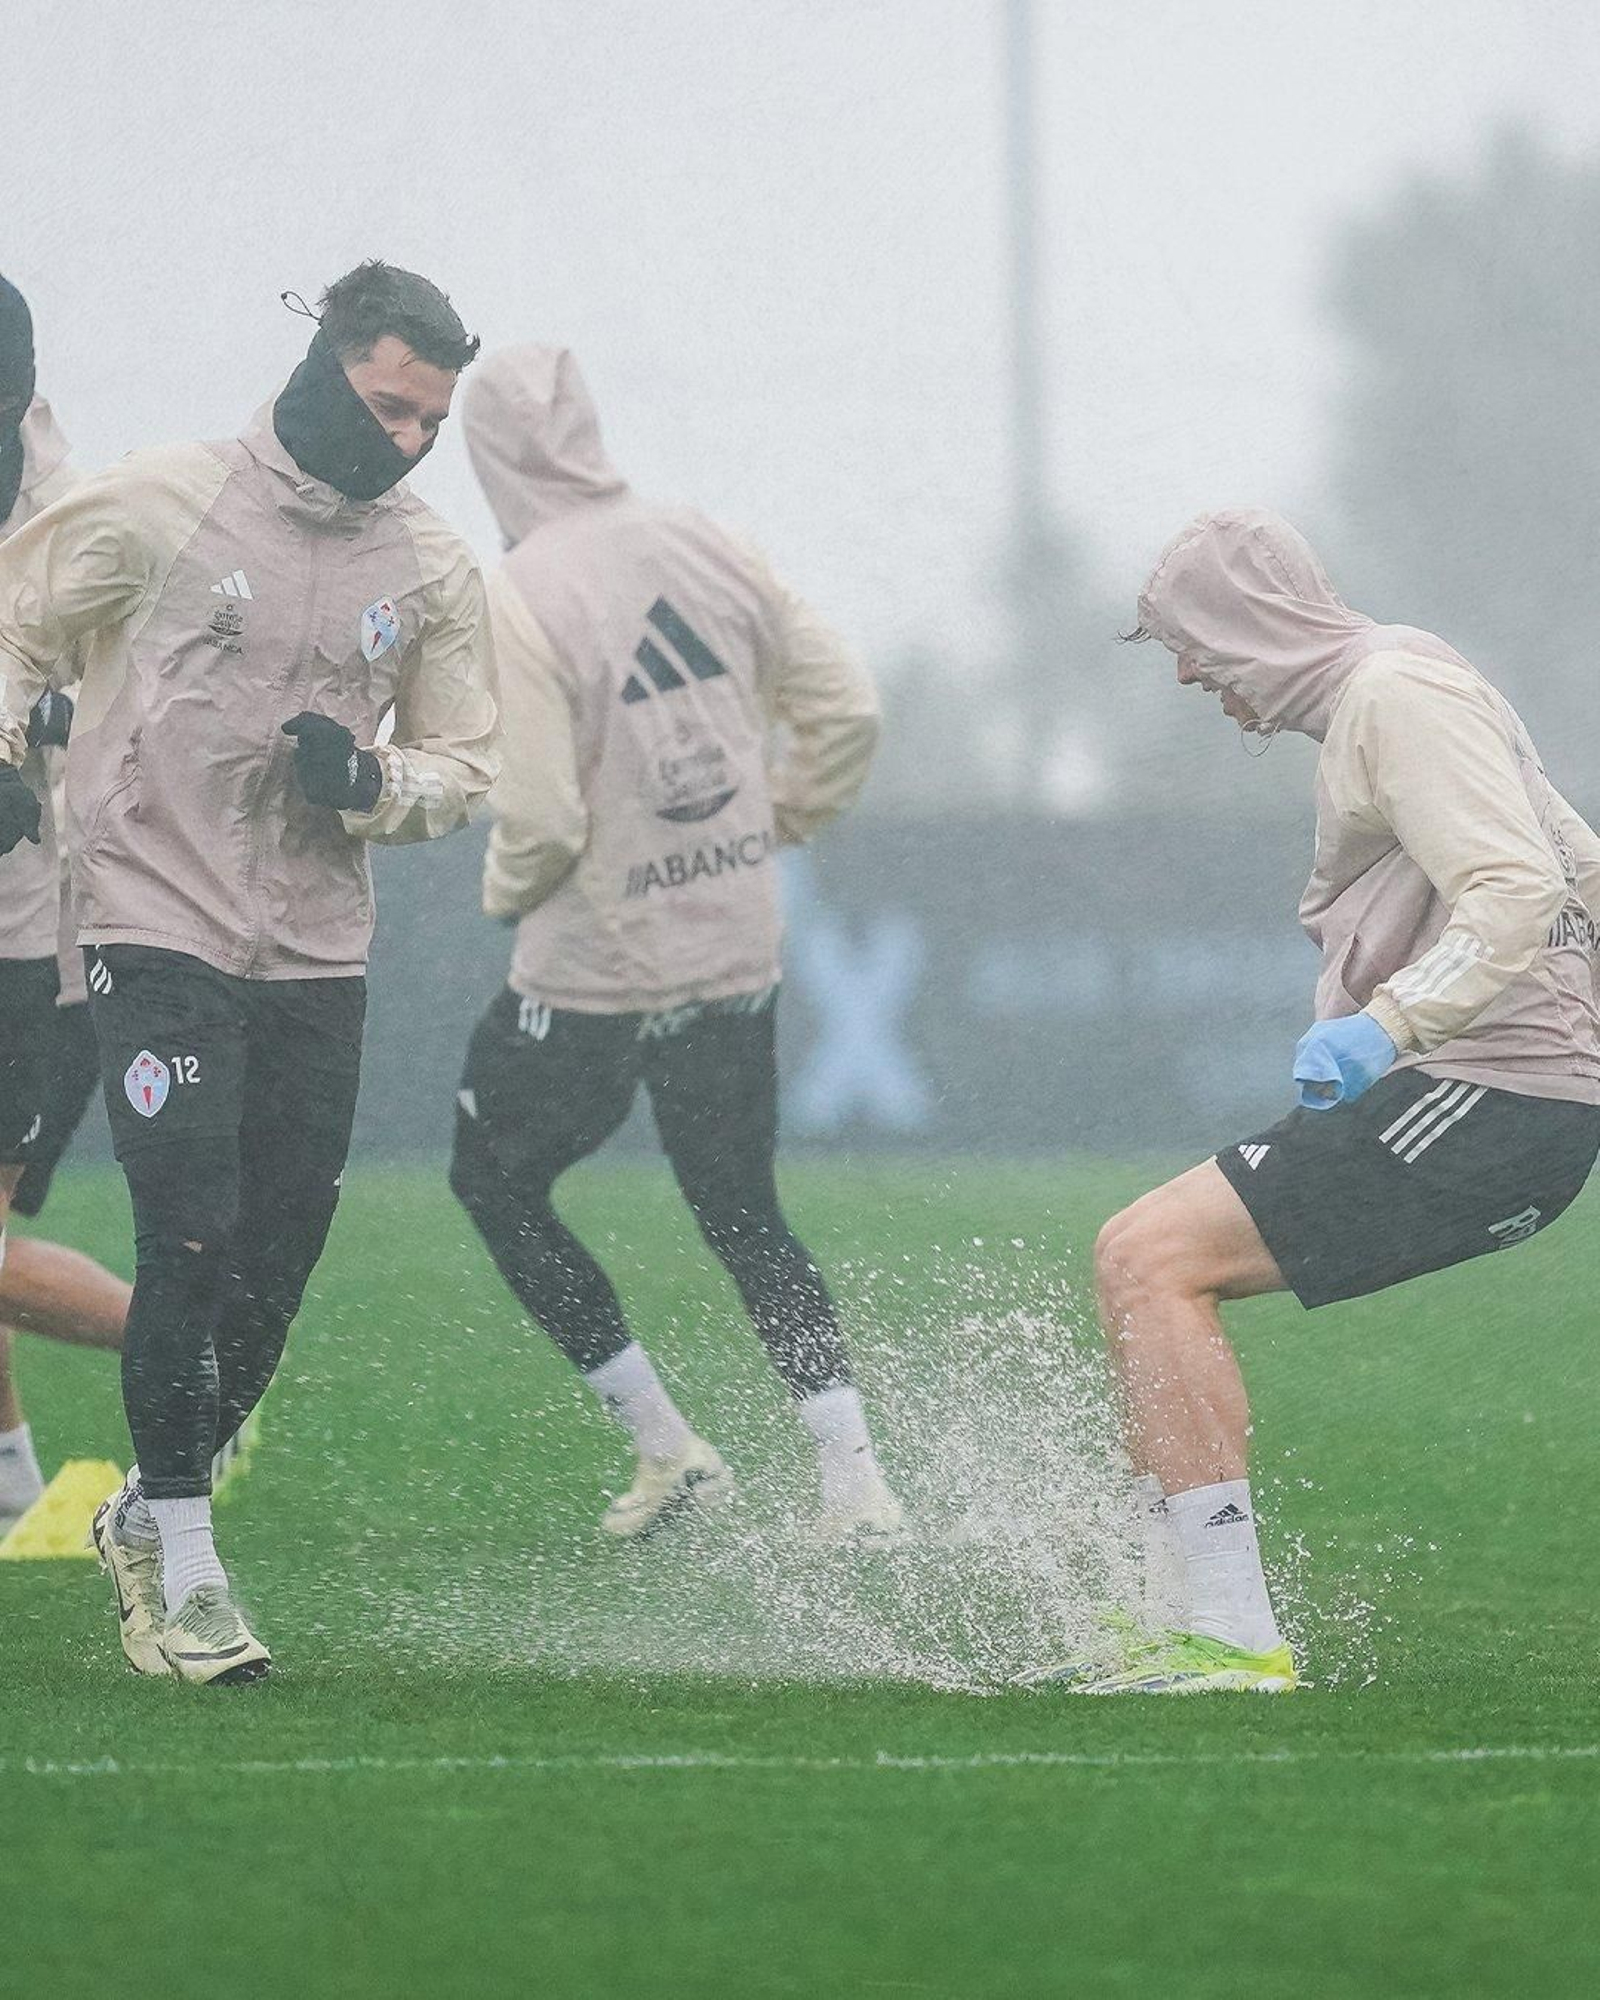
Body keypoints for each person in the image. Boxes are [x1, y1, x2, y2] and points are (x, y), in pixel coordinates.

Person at [0, 261, 499, 1680]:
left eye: (431, 425)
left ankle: (150, 1524)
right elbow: (14, 612)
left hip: (316, 951)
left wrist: (375, 779)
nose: (405, 441)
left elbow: (465, 763)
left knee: (275, 1260)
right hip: (149, 921)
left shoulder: (432, 568)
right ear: (327, 362)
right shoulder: (166, 501)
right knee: (193, 1226)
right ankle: (193, 1575)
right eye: (390, 407)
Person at [1063, 508, 1600, 1695]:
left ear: (1243, 621)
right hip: (1500, 1088)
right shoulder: (1409, 681)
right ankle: (1179, 1620)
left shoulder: (1392, 693)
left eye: (1190, 643)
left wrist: (1389, 1026)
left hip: (1489, 1093)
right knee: (1133, 1256)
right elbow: (1579, 855)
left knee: (1154, 1258)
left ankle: (1224, 1632)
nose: (1192, 672)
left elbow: (1517, 883)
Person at [450, 344, 901, 1545]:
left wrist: (506, 894)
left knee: (490, 1177)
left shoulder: (522, 586)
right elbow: (847, 707)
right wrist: (781, 814)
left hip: (596, 964)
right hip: (733, 941)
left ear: (486, 451)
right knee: (743, 1209)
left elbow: (540, 816)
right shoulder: (705, 535)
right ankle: (854, 1483)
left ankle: (667, 1445)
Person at [0, 275, 130, 1532]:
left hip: (27, 946)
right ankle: (9, 1485)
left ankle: (198, 1361)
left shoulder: (72, 529)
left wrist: (45, 741)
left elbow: (121, 708)